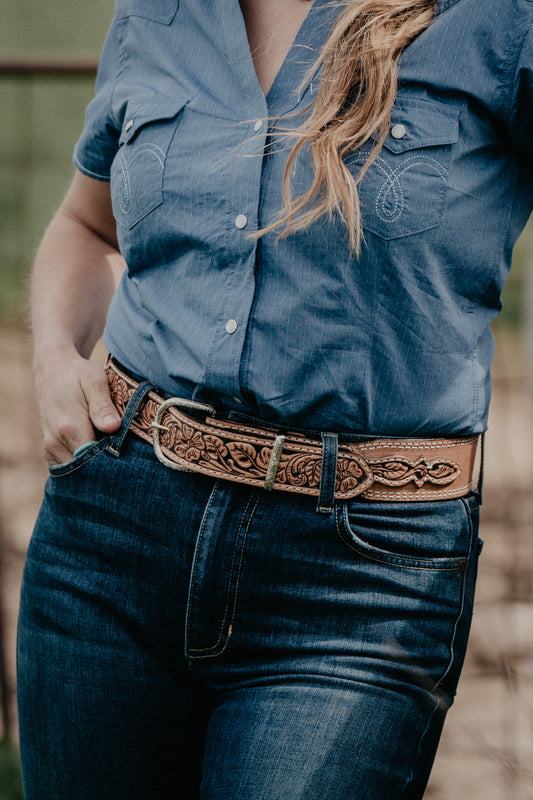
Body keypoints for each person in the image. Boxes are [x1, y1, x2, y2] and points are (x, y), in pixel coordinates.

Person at [16, 0, 533, 797]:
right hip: (110, 540)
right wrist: (53, 358)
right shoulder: (162, 12)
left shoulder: (498, 19)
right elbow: (88, 225)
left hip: (360, 580)